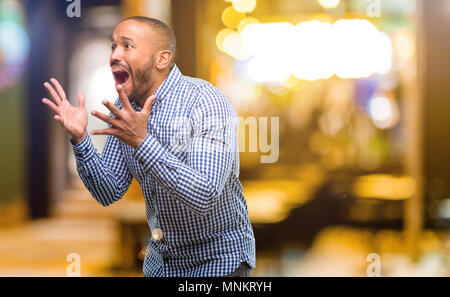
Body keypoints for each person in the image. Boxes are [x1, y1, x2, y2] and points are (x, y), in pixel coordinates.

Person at [42, 16, 255, 277]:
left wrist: (142, 142)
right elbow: (108, 191)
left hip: (218, 263)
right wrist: (80, 139)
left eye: (127, 46)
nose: (114, 55)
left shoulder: (205, 101)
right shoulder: (124, 109)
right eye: (112, 47)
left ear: (162, 59)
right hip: (160, 265)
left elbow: (204, 195)